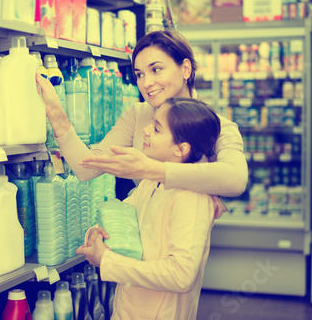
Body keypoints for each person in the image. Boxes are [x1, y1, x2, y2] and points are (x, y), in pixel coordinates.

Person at [36, 29, 247, 197]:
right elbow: (87, 168)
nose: (146, 83)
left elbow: (235, 180)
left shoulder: (219, 126)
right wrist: (57, 115)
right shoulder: (137, 116)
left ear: (185, 69)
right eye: (139, 74)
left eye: (156, 70)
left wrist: (148, 168)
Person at [76, 97, 228, 319]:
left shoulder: (192, 199)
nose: (145, 130)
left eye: (156, 129)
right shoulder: (151, 181)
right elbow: (120, 216)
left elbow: (181, 275)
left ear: (181, 149)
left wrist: (108, 261)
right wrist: (95, 233)